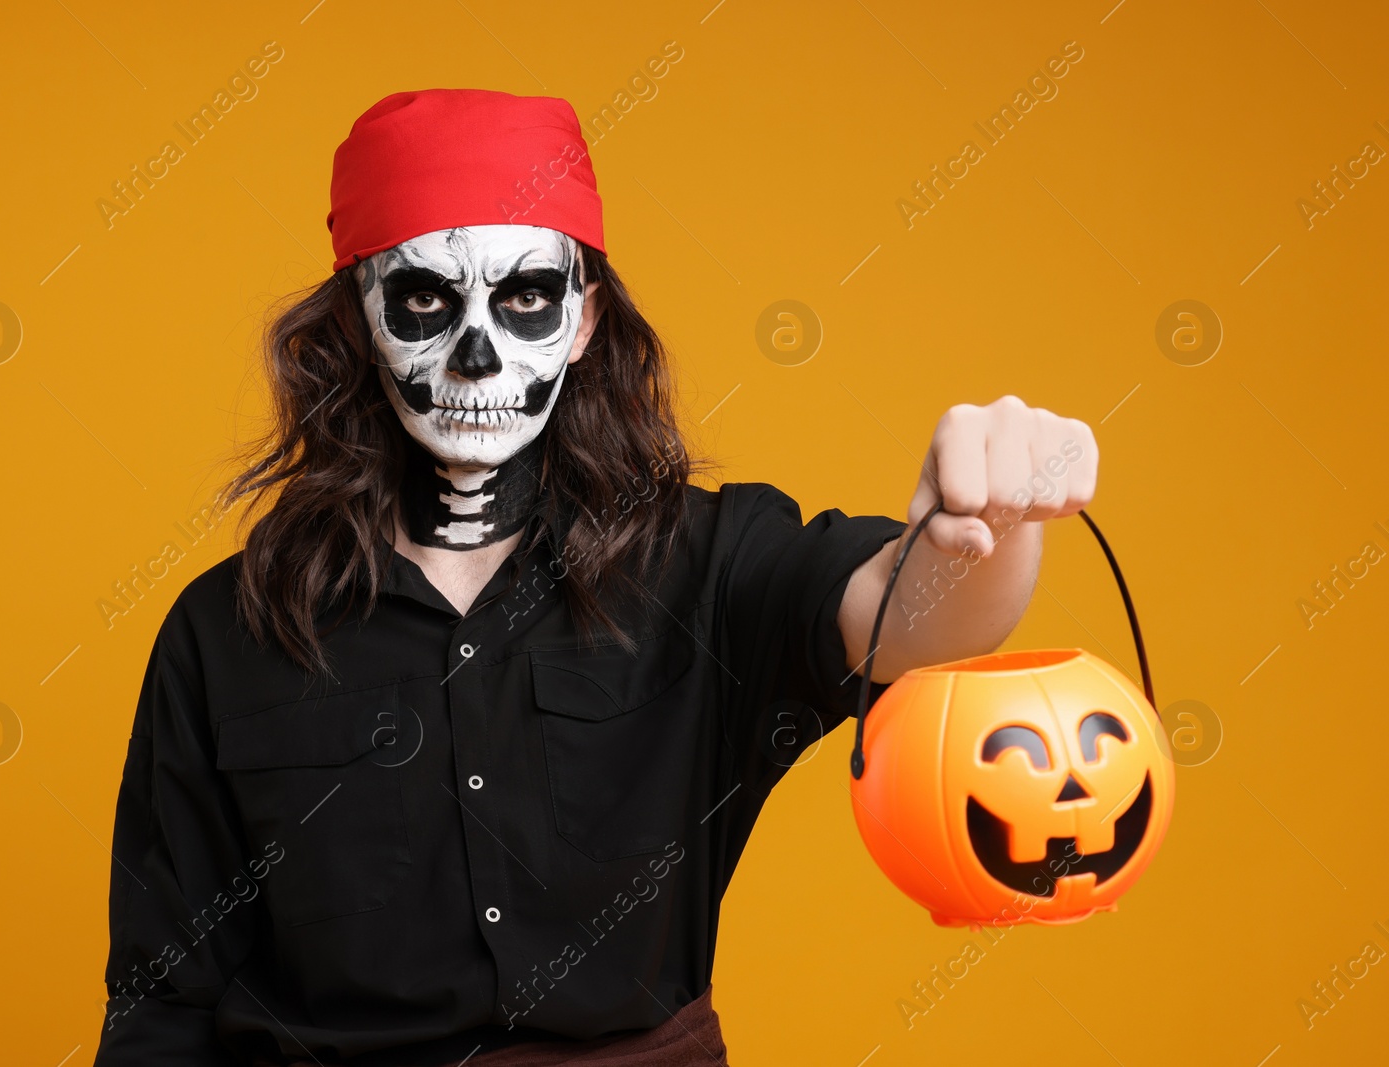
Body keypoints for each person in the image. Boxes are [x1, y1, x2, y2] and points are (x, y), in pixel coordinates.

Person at [93, 88, 1098, 1066]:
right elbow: (163, 1002)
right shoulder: (225, 629)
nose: (476, 356)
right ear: (359, 322)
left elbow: (912, 618)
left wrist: (992, 519)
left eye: (524, 296)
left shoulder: (708, 563)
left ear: (581, 319)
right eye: (425, 299)